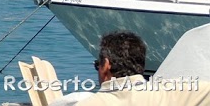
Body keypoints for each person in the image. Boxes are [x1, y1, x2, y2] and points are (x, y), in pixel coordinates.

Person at [77, 30, 210, 106]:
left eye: (98, 65)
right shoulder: (175, 94)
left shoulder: (89, 103)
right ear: (141, 64)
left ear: (106, 65)